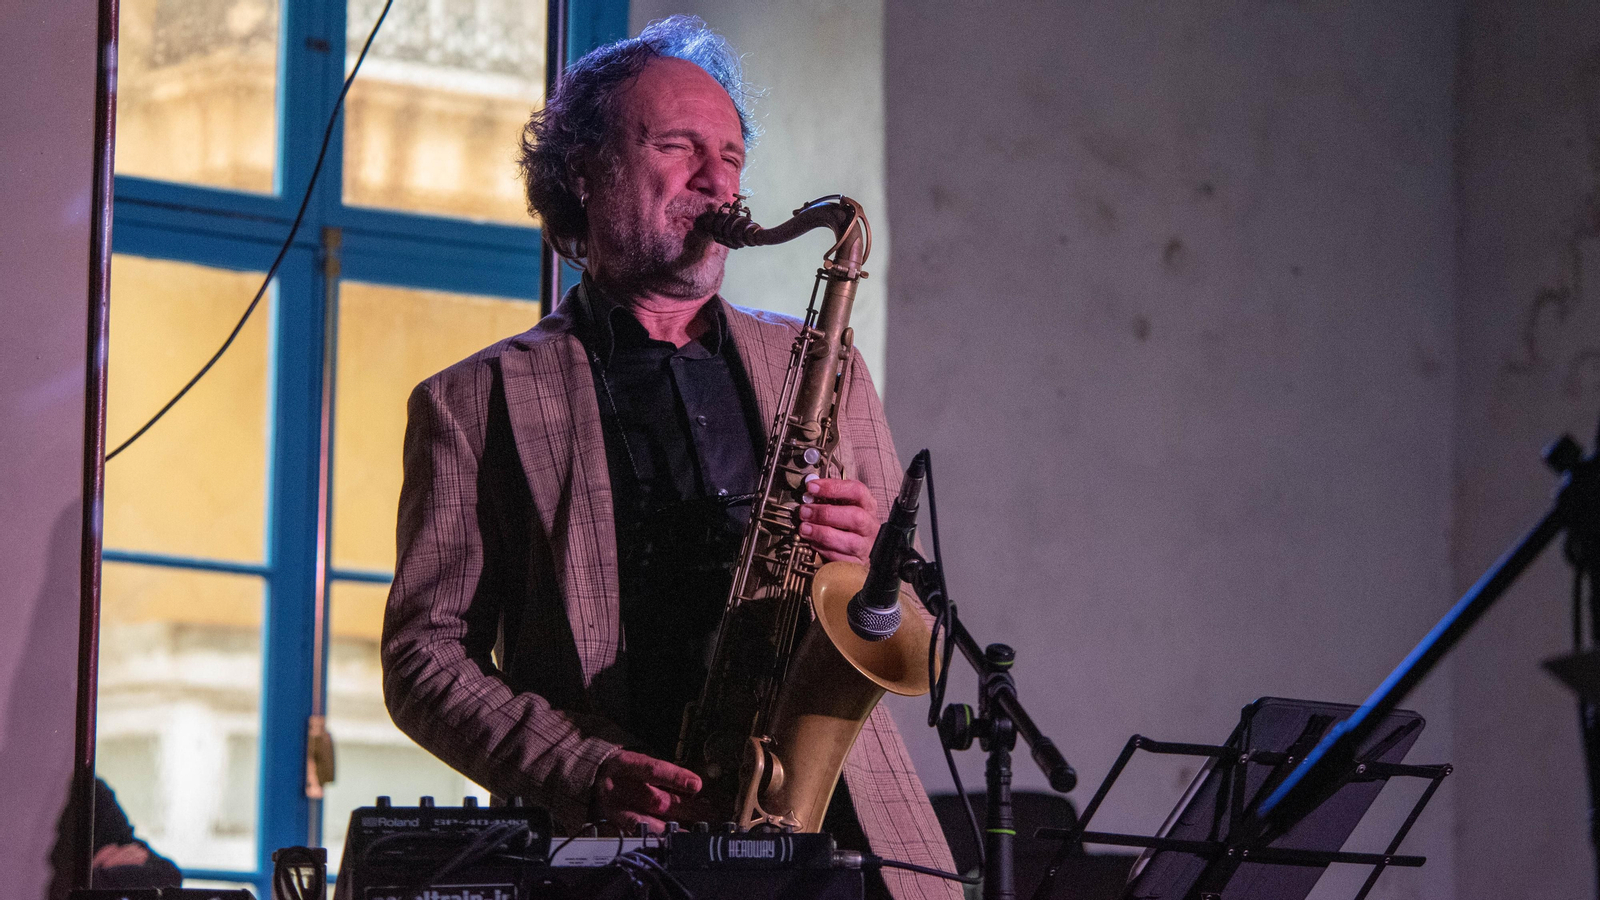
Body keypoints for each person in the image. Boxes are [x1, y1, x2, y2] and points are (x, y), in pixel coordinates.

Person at [381, 17, 959, 900]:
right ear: (586, 172)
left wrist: (870, 569)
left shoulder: (825, 364)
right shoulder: (472, 401)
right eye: (678, 146)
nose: (717, 179)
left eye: (730, 155)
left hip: (846, 840)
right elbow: (425, 657)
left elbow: (903, 621)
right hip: (618, 852)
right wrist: (581, 766)